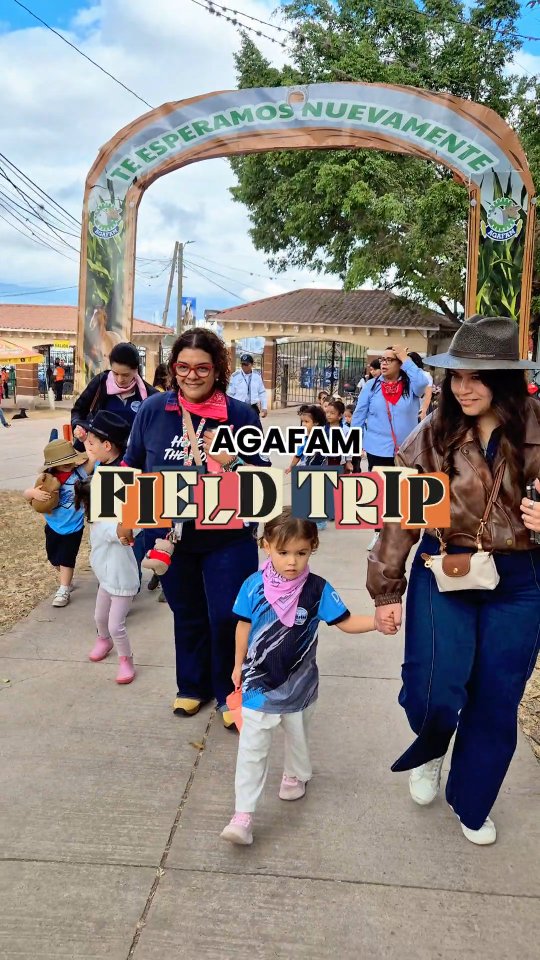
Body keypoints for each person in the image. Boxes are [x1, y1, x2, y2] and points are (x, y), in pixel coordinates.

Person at [368, 314, 540, 846]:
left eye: (477, 376)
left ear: (506, 379)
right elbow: (399, 518)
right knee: (433, 685)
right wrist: (387, 590)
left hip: (519, 579)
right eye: (455, 376)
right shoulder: (434, 436)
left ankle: (472, 799)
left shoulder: (536, 429)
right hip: (443, 569)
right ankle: (432, 743)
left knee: (496, 696)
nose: (463, 387)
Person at [118, 327, 267, 728]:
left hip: (227, 537)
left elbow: (261, 479)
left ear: (217, 370)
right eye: (183, 366)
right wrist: (128, 514)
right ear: (173, 368)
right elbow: (132, 467)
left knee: (227, 615)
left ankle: (228, 692)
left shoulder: (240, 415)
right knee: (186, 612)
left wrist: (233, 462)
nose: (192, 375)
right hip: (167, 537)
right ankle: (192, 686)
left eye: (202, 367)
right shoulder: (153, 410)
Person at [220, 510, 383, 846]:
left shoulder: (318, 589)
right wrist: (238, 664)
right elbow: (243, 626)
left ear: (313, 548)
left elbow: (345, 620)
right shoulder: (253, 586)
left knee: (298, 736)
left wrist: (377, 623)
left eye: (301, 552)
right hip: (257, 686)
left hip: (299, 685)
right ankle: (243, 815)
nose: (291, 562)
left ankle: (294, 775)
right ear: (266, 546)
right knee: (252, 748)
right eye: (283, 553)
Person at [75, 413, 139, 685]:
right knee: (100, 617)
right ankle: (104, 641)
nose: (87, 447)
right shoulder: (100, 468)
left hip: (120, 570)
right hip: (104, 566)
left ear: (108, 446)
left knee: (116, 624)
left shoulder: (126, 475)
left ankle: (126, 660)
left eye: (92, 443)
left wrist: (123, 530)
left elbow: (134, 520)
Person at [352, 345, 429, 549]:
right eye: (382, 359)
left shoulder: (411, 385)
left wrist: (406, 359)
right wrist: (355, 444)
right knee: (378, 492)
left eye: (389, 360)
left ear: (400, 364)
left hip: (406, 450)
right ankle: (379, 533)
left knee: (404, 492)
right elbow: (359, 415)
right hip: (378, 447)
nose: (383, 363)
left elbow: (423, 382)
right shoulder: (372, 386)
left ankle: (401, 534)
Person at [23, 439, 94, 607]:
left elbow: (91, 461)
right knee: (54, 558)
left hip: (74, 527)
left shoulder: (78, 475)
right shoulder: (46, 479)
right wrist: (33, 493)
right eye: (64, 463)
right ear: (53, 465)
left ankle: (63, 589)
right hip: (53, 525)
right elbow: (27, 494)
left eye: (70, 461)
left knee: (66, 559)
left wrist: (86, 441)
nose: (68, 465)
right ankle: (65, 578)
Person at [71, 342, 157, 444]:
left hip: (132, 456)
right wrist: (78, 426)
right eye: (115, 373)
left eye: (125, 375)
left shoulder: (149, 394)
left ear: (135, 370)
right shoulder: (100, 383)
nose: (120, 379)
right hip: (100, 453)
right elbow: (79, 410)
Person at [409, 352, 434, 421]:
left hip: (419, 411)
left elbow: (428, 395)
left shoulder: (425, 375)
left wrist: (424, 411)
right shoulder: (405, 376)